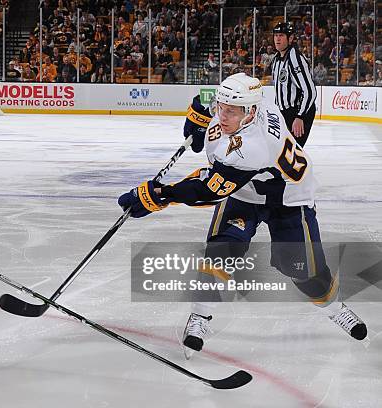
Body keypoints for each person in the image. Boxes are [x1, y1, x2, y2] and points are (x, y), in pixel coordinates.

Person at [117, 73, 367, 356]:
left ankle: (335, 308)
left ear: (250, 113)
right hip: (246, 193)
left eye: (231, 111)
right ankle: (200, 316)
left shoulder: (253, 147)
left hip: (290, 197)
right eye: (221, 108)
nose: (223, 116)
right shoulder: (251, 104)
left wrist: (158, 196)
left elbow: (210, 189)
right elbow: (207, 98)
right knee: (222, 250)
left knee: (304, 271)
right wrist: (199, 113)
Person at [271, 22, 317, 146]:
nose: (277, 39)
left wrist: (299, 116)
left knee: (291, 153)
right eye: (275, 35)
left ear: (290, 38)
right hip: (284, 113)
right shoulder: (276, 59)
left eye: (281, 35)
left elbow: (310, 91)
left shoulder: (295, 58)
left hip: (297, 113)